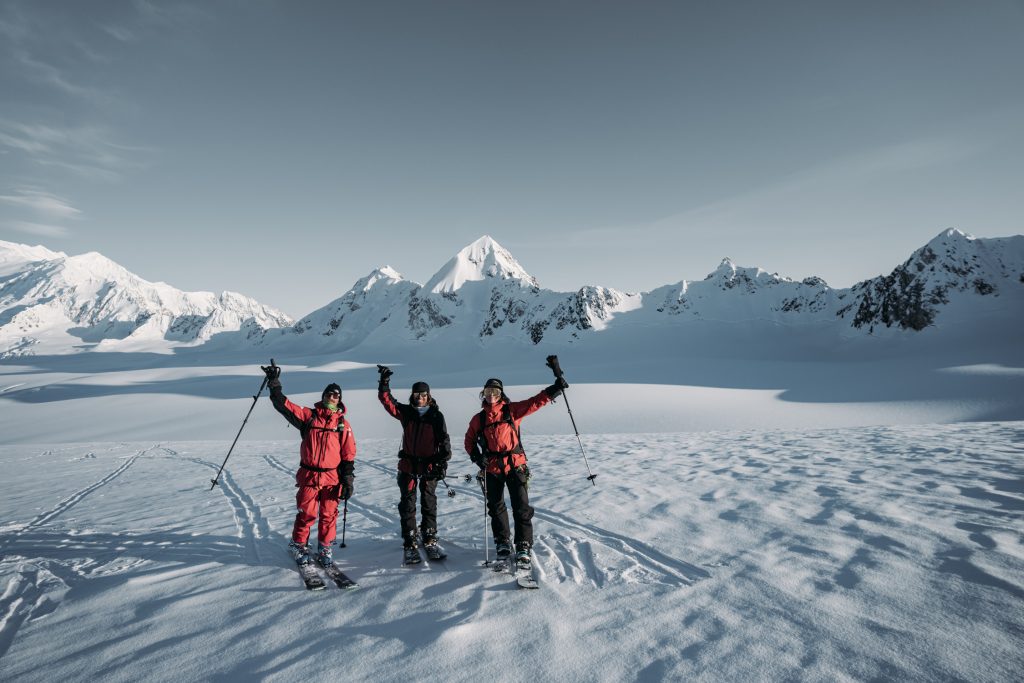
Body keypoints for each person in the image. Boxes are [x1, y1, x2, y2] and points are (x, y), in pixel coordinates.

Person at [465, 375, 568, 569]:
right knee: (496, 508)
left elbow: (534, 403)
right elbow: (469, 441)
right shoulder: (478, 419)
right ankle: (502, 543)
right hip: (492, 468)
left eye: (495, 392)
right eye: (488, 392)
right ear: (483, 394)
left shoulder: (512, 411)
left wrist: (554, 390)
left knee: (521, 507)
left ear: (501, 394)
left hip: (515, 465)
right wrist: (477, 458)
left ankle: (523, 545)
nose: (491, 395)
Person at [262, 363, 356, 568]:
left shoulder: (342, 424)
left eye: (337, 395)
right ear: (324, 396)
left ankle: (325, 547)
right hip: (309, 475)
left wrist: (348, 479)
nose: (333, 397)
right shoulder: (309, 416)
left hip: (332, 477)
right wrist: (274, 383)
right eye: (330, 394)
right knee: (307, 513)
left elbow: (348, 454)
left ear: (340, 399)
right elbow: (283, 405)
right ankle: (298, 544)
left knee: (329, 515)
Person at [377, 365, 452, 564]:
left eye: (424, 394)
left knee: (429, 502)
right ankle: (410, 540)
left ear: (429, 396)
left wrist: (442, 462)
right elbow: (388, 402)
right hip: (408, 466)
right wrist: (384, 384)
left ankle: (429, 538)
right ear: (412, 395)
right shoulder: (406, 412)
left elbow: (444, 440)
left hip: (429, 467)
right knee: (408, 504)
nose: (420, 398)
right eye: (417, 394)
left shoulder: (436, 415)